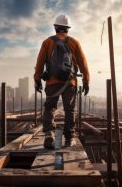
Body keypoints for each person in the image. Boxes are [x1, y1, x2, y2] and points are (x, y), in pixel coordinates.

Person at [34, 14, 90, 149]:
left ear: (55, 27)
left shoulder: (47, 42)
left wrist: (37, 80)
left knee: (50, 107)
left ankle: (49, 134)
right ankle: (69, 138)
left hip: (52, 82)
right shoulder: (74, 42)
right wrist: (86, 81)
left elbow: (40, 63)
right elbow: (83, 64)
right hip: (69, 82)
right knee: (69, 110)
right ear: (67, 29)